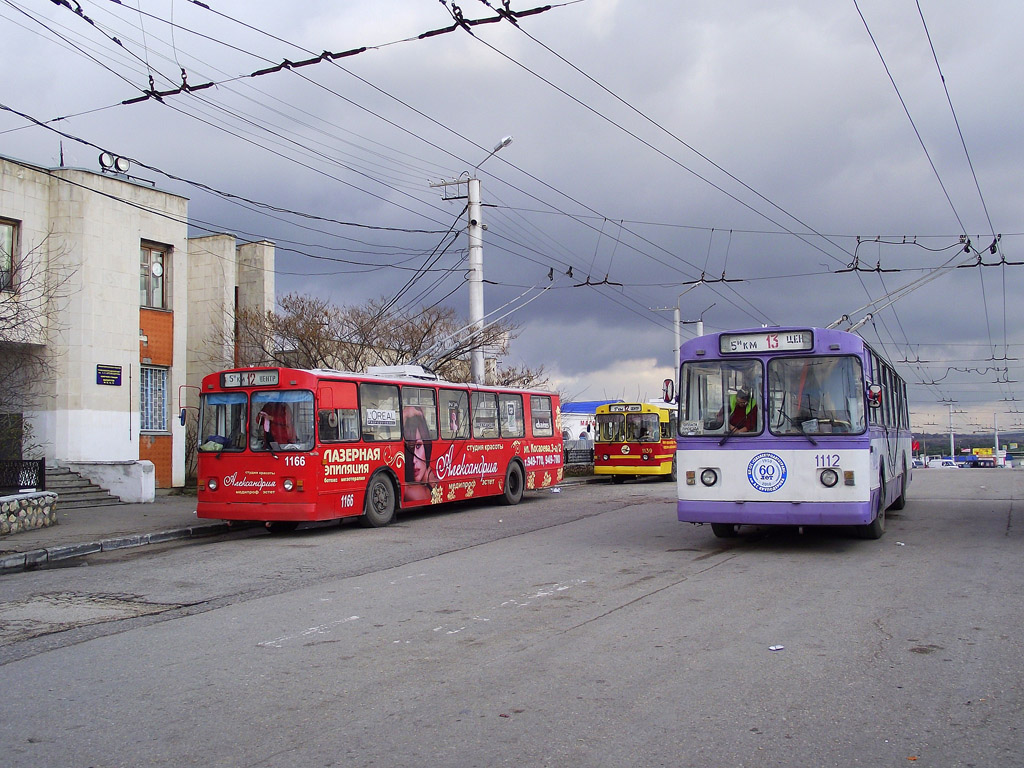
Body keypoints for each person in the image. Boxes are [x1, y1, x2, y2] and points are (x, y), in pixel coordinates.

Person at [404, 406, 439, 503]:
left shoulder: (417, 490)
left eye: (418, 446)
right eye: (409, 448)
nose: (414, 460)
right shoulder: (412, 491)